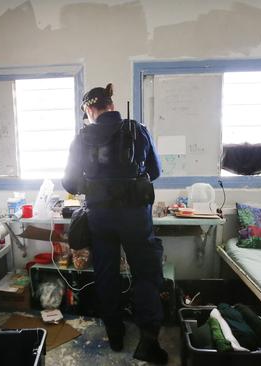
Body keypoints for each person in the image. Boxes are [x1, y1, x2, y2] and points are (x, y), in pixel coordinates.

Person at [62, 83, 167, 364]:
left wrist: (97, 184)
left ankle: (115, 334)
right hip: (135, 216)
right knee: (145, 274)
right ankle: (149, 340)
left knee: (107, 274)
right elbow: (155, 171)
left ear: (89, 108)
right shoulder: (138, 130)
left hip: (100, 216)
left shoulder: (82, 137)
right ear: (111, 104)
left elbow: (70, 183)